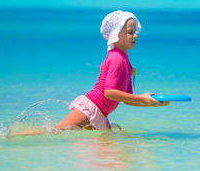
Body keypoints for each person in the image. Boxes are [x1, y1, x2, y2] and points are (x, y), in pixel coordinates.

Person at [16, 10, 169, 135]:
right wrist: (142, 98)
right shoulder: (116, 58)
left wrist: (151, 103)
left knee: (108, 141)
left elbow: (127, 100)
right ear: (116, 35)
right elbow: (109, 93)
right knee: (55, 132)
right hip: (91, 107)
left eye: (135, 32)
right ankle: (17, 136)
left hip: (101, 113)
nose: (135, 35)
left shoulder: (125, 60)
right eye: (130, 32)